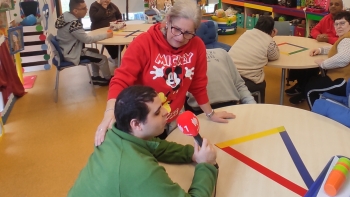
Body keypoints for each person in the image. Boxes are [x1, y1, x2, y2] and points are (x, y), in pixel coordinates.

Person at [94, 0, 235, 146]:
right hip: (146, 120)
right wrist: (110, 112)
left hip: (174, 117)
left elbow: (198, 84)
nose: (180, 37)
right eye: (176, 29)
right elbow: (121, 80)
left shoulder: (197, 46)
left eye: (188, 33)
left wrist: (210, 114)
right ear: (167, 21)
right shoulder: (144, 43)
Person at [68, 85, 218, 197]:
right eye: (158, 112)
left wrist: (193, 154)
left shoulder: (116, 133)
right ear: (136, 124)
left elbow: (155, 146)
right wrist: (206, 165)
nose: (166, 112)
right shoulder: (139, 169)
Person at [55, 0, 113, 86]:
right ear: (75, 11)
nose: (86, 10)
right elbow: (87, 40)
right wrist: (106, 35)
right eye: (84, 8)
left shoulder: (66, 16)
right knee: (103, 58)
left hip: (66, 49)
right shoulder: (73, 23)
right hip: (72, 53)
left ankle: (96, 77)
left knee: (95, 51)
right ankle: (108, 79)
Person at [186, 48, 256, 114]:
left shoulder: (222, 52)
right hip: (202, 112)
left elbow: (239, 85)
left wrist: (253, 106)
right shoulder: (180, 61)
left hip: (232, 106)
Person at [228, 15, 280, 103]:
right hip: (247, 79)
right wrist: (271, 37)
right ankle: (257, 106)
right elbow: (275, 56)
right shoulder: (268, 40)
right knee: (261, 84)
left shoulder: (247, 33)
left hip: (229, 74)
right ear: (272, 30)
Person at [305, 11, 350, 108]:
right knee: (313, 80)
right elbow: (338, 49)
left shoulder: (347, 40)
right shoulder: (345, 38)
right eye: (336, 24)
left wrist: (323, 64)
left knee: (309, 89)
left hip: (343, 81)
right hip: (343, 78)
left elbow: (343, 58)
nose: (339, 26)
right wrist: (320, 50)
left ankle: (315, 116)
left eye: (342, 23)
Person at [89, 0, 125, 66]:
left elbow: (118, 15)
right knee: (109, 43)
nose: (107, 1)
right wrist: (103, 8)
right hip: (100, 30)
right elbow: (93, 19)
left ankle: (114, 57)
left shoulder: (111, 5)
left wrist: (118, 22)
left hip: (113, 29)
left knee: (122, 41)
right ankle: (115, 58)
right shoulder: (94, 6)